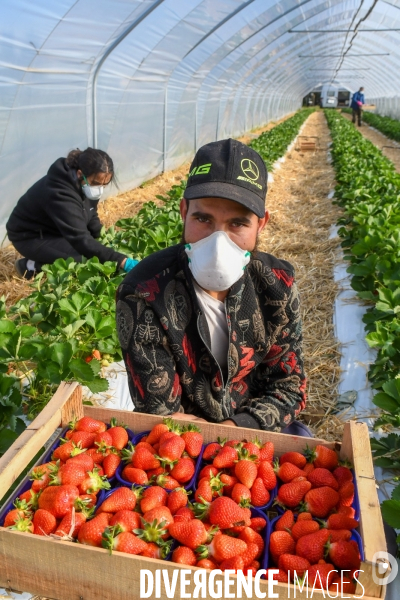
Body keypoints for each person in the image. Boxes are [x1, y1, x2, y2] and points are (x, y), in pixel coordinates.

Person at [116, 138, 311, 435]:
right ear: (183, 211)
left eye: (237, 224)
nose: (218, 241)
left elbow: (289, 386)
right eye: (203, 219)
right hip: (180, 440)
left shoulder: (277, 287)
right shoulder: (145, 291)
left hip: (257, 428)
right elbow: (159, 409)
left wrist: (237, 430)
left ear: (261, 224)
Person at [6, 147, 138, 279]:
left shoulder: (87, 184)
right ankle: (30, 265)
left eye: (105, 185)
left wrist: (104, 238)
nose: (100, 189)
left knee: (95, 252)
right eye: (97, 184)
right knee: (83, 259)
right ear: (80, 174)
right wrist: (121, 261)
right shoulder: (59, 192)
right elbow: (79, 238)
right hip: (30, 236)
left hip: (56, 229)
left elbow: (91, 214)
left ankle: (49, 256)